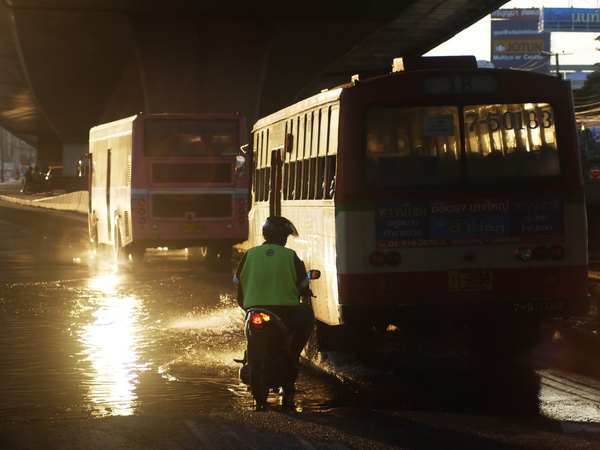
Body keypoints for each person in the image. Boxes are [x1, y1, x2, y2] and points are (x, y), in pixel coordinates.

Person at [233, 216, 314, 407]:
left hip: (253, 309)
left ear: (265, 235)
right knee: (307, 313)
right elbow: (303, 284)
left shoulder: (250, 254)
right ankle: (294, 356)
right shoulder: (290, 255)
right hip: (285, 312)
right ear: (284, 237)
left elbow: (237, 282)